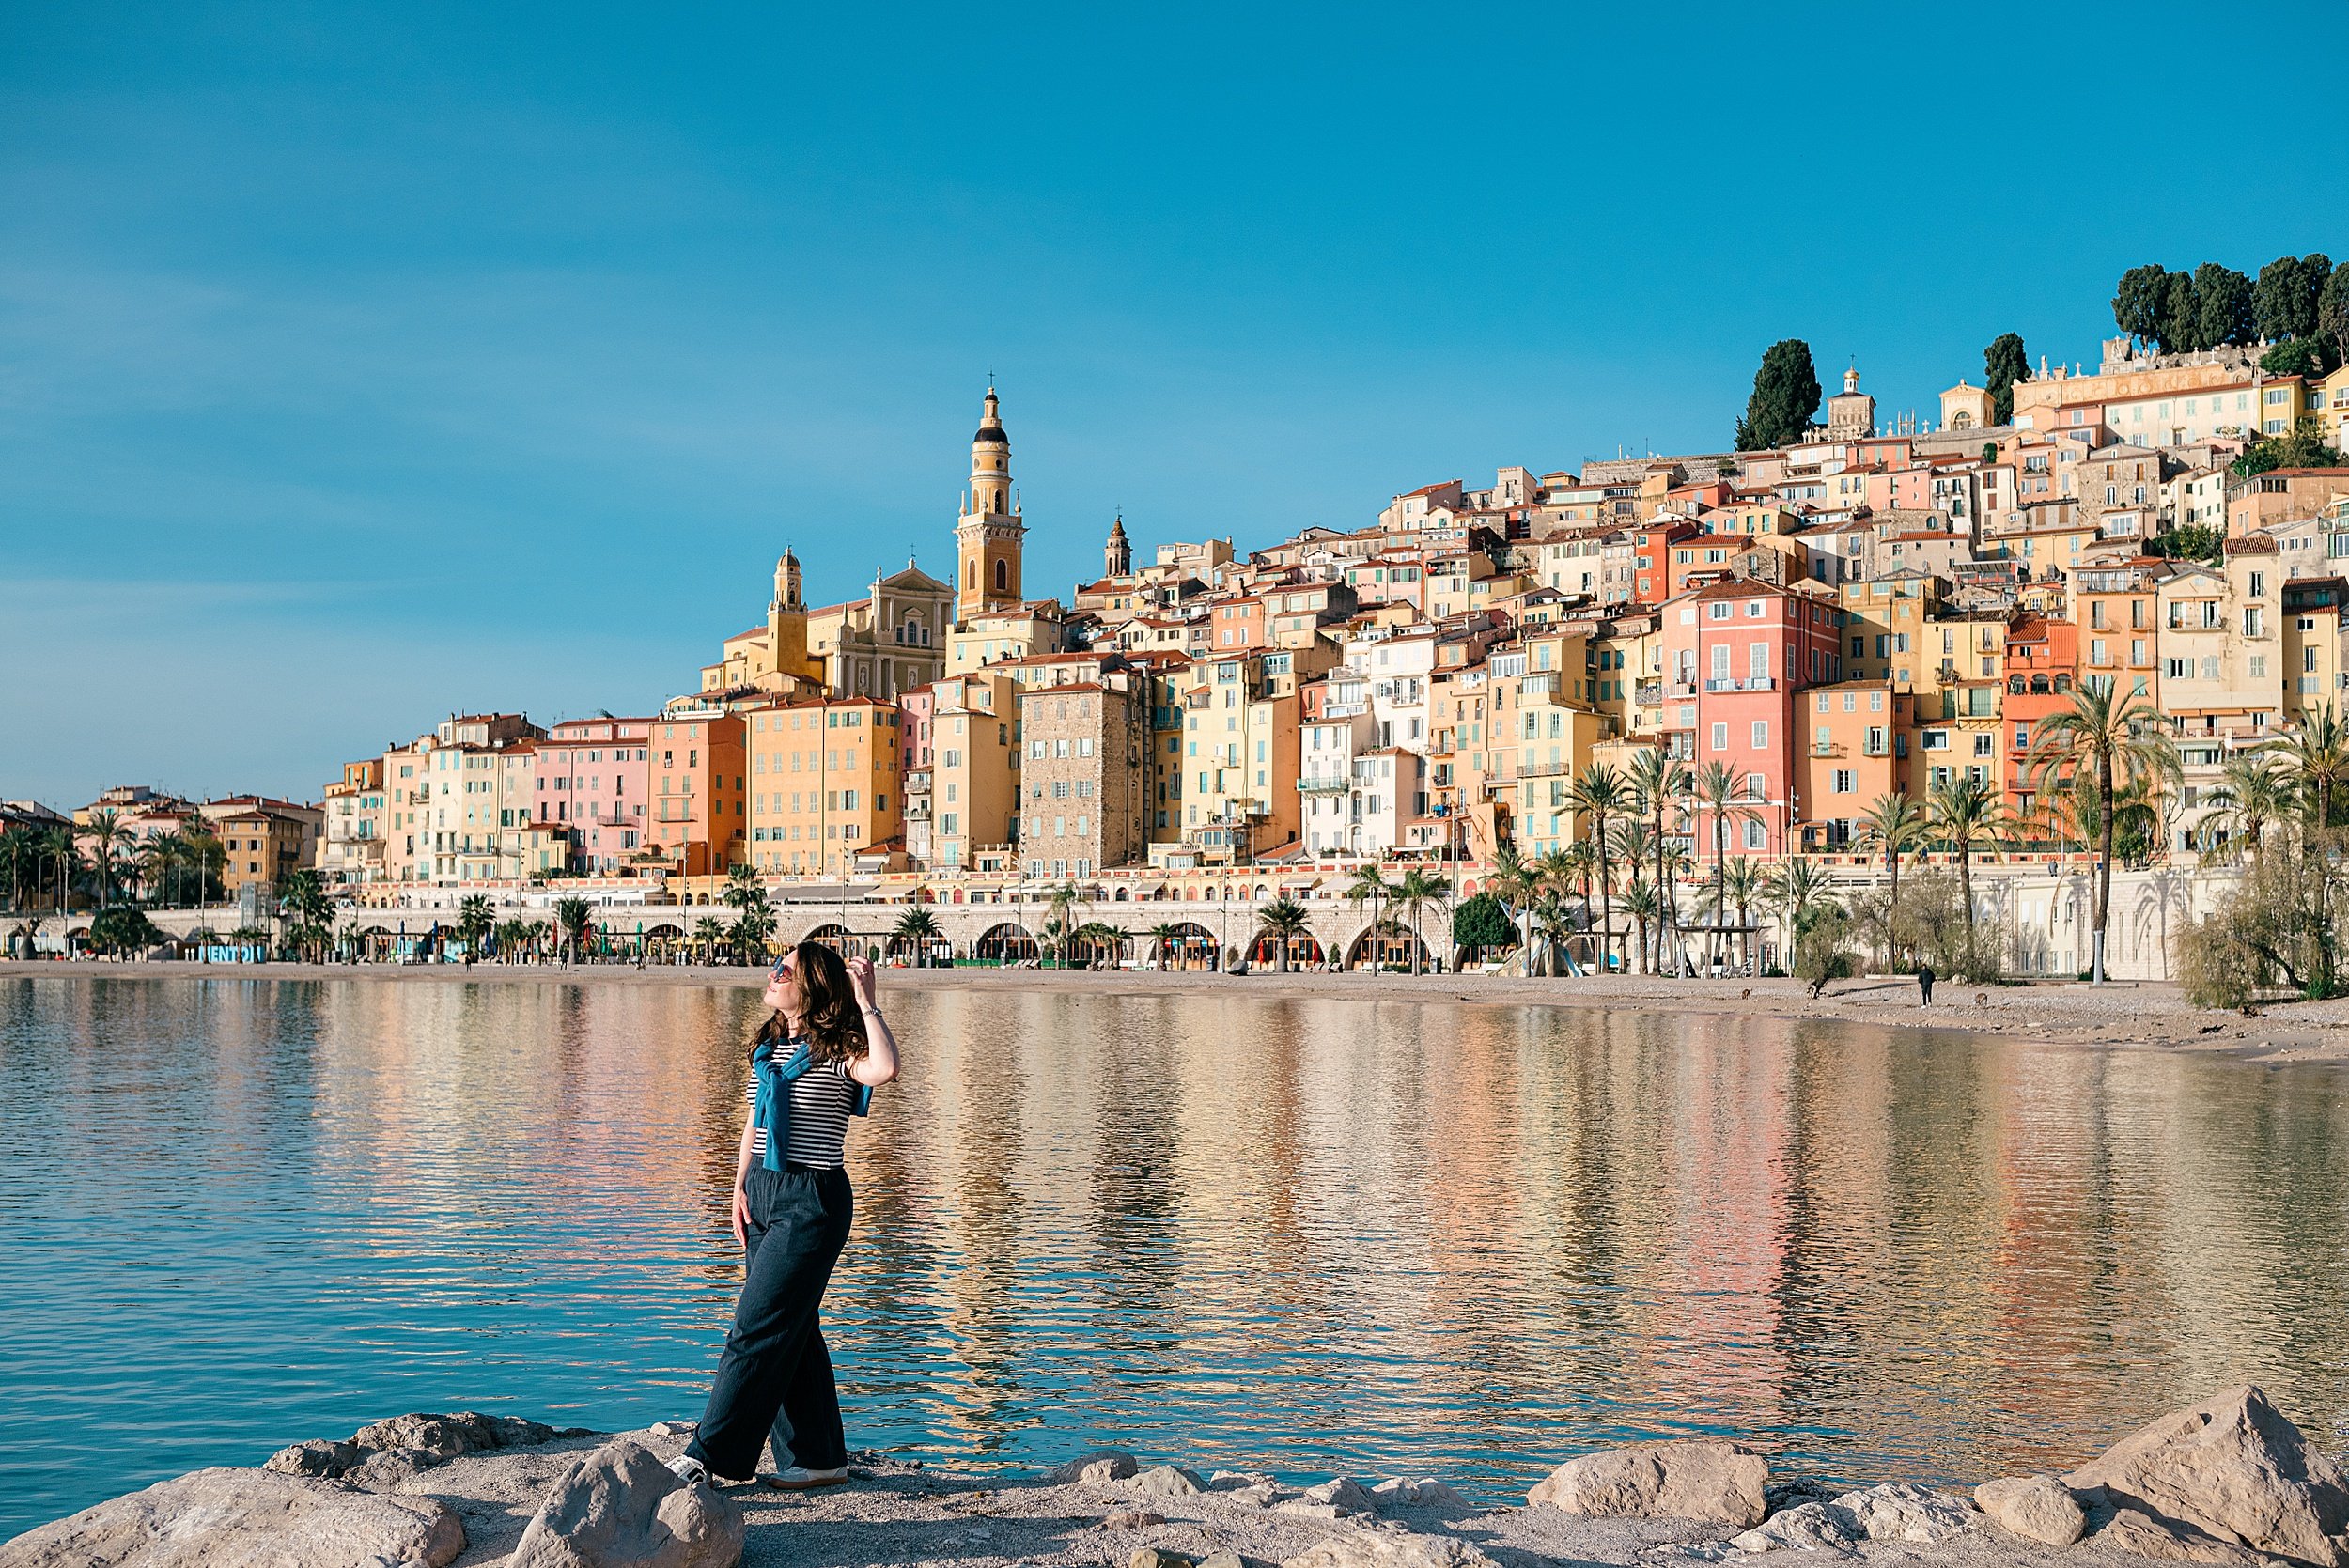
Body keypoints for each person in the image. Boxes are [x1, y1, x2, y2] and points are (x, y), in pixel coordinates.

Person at [668, 943, 899, 1491]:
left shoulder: (840, 1048)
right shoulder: (769, 1045)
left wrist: (868, 1001)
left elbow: (885, 1069)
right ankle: (817, 1455)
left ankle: (712, 1456)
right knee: (795, 1325)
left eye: (787, 970)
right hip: (763, 1193)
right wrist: (738, 1186)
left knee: (755, 1327)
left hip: (812, 1200)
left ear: (813, 988)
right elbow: (755, 1121)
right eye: (777, 964)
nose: (774, 974)